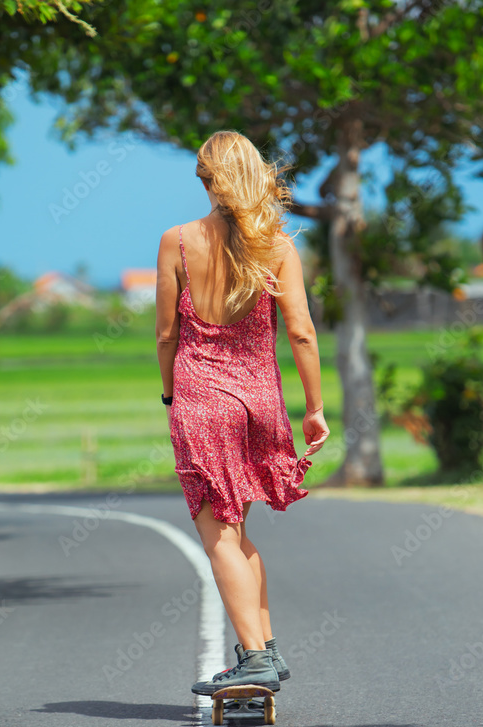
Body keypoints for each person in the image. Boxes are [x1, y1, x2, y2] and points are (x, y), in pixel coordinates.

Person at [155, 130, 329, 695]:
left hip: (203, 404)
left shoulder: (177, 241)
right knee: (239, 530)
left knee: (219, 537)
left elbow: (165, 335)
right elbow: (301, 333)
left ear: (205, 179)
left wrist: (169, 395)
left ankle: (252, 660)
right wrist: (316, 410)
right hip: (260, 404)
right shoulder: (276, 245)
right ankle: (270, 650)